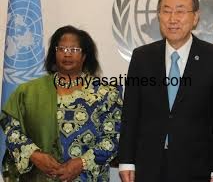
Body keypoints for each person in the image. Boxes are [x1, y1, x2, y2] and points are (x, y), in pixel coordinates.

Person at [118, 0, 213, 182]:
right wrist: (126, 160)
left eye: (180, 11)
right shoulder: (142, 57)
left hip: (197, 166)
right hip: (148, 164)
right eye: (166, 11)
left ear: (195, 17)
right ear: (159, 15)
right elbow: (131, 112)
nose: (172, 19)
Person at [0, 25, 123, 182]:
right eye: (62, 49)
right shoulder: (28, 92)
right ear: (54, 53)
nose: (67, 54)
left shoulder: (106, 93)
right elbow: (12, 130)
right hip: (39, 177)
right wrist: (34, 154)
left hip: (87, 177)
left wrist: (81, 163)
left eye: (74, 50)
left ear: (85, 55)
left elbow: (114, 138)